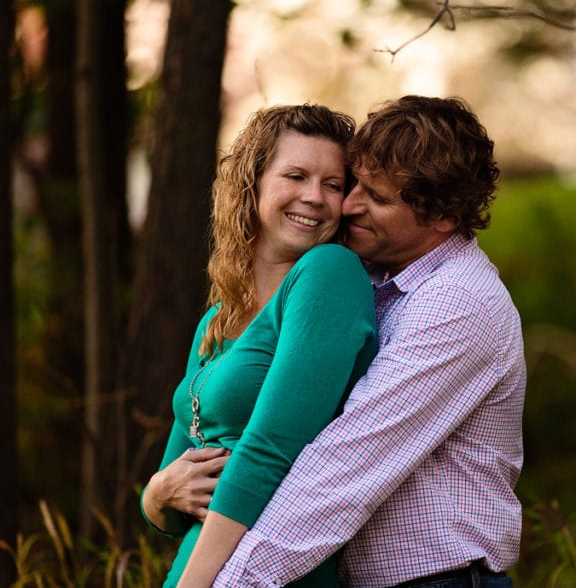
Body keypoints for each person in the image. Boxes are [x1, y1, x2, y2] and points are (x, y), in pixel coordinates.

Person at [149, 94, 526, 586]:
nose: (345, 205)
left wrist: (220, 583)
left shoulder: (456, 303)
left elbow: (337, 473)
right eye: (355, 185)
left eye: (374, 196)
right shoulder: (378, 279)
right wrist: (156, 494)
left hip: (436, 579)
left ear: (444, 218)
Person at [140, 104, 379, 587]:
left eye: (333, 185)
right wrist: (156, 495)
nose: (314, 197)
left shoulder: (330, 273)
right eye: (296, 176)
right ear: (253, 182)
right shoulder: (216, 319)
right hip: (205, 569)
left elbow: (273, 447)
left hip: (273, 573)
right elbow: (173, 498)